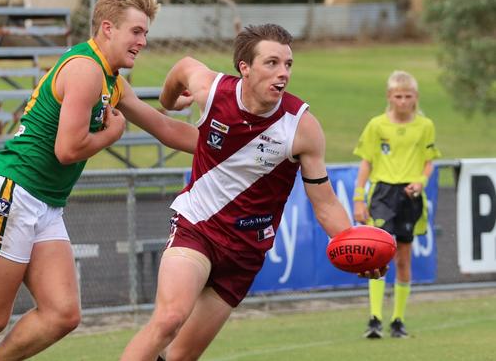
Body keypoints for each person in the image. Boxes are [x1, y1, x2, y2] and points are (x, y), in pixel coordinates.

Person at [0, 0, 198, 360]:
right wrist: (111, 135)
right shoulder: (85, 69)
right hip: (11, 192)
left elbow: (163, 126)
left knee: (62, 314)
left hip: (43, 201)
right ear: (107, 28)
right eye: (136, 31)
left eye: (145, 32)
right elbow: (67, 149)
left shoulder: (111, 80)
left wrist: (234, 146)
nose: (143, 41)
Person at [119, 24, 387, 361]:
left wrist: (353, 243)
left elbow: (325, 202)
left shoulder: (301, 127)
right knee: (170, 318)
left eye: (288, 64)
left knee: (179, 357)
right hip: (197, 228)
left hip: (245, 254)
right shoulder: (214, 91)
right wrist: (168, 101)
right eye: (271, 63)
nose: (283, 73)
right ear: (245, 68)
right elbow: (184, 67)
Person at [353, 70, 441, 339]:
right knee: (378, 254)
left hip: (409, 195)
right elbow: (366, 161)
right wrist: (358, 197)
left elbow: (429, 161)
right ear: (389, 97)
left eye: (408, 96)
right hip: (382, 193)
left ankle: (398, 320)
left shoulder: (425, 126)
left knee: (403, 257)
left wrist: (421, 182)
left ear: (416, 98)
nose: (403, 101)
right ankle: (375, 318)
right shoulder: (376, 125)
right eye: (398, 96)